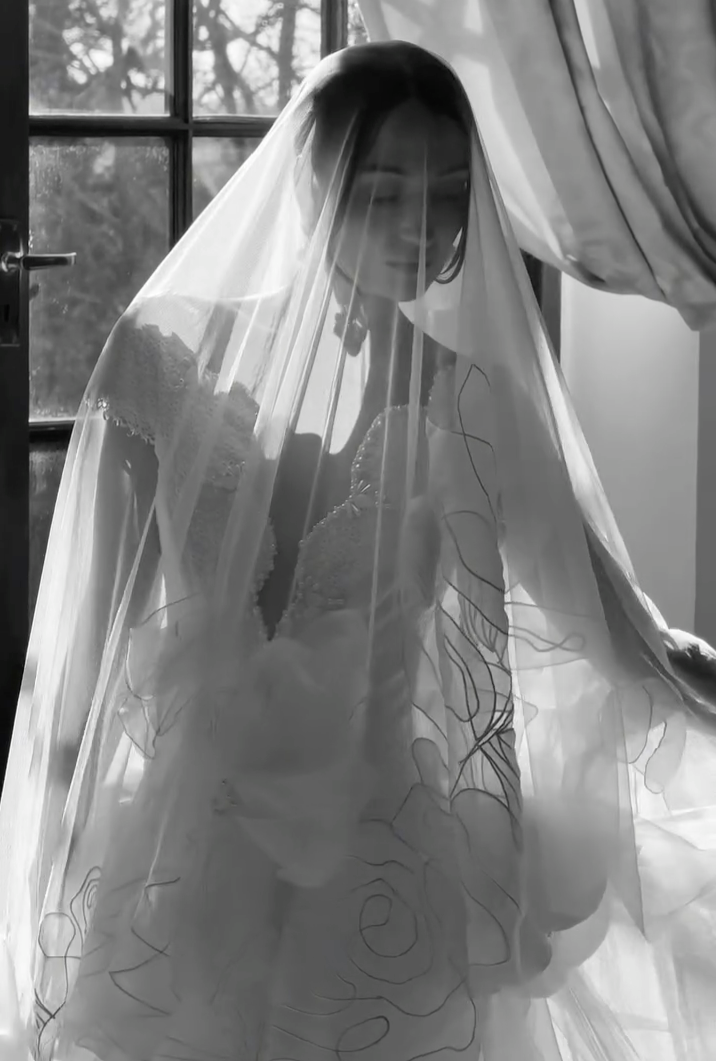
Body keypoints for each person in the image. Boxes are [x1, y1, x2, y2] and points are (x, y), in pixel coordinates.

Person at [1, 41, 715, 1061]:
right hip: (174, 852)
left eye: (450, 193)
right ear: (312, 183)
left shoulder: (470, 400)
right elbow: (87, 641)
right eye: (385, 192)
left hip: (384, 871)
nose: (423, 227)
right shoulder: (160, 357)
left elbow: (595, 616)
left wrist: (677, 665)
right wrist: (54, 830)